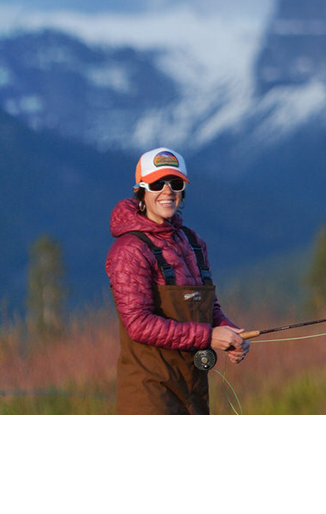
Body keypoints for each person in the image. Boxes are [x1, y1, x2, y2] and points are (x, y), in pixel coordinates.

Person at [105, 147, 249, 414]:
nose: (168, 191)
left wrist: (230, 333)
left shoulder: (192, 242)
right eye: (158, 184)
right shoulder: (129, 250)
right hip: (148, 394)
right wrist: (208, 336)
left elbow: (209, 306)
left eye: (176, 183)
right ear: (140, 190)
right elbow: (138, 324)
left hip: (194, 391)